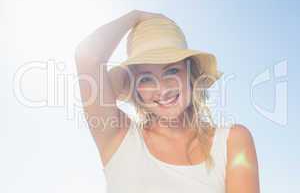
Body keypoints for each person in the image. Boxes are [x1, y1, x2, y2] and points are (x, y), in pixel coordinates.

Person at [74, 10, 260, 193]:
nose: (162, 88)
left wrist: (140, 74)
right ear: (134, 85)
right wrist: (135, 16)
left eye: (171, 71)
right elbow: (87, 57)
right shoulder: (118, 137)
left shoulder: (231, 140)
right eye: (146, 79)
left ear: (190, 73)